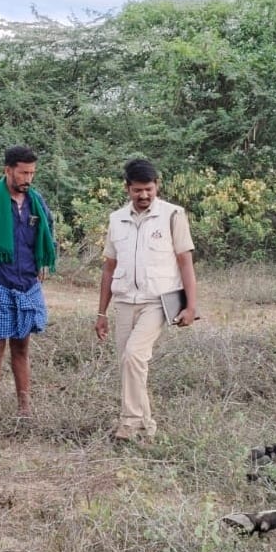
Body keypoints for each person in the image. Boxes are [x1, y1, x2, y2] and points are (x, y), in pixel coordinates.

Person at [94, 159, 198, 442]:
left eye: (149, 189)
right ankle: (146, 426)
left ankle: (128, 425)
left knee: (134, 356)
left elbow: (185, 262)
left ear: (157, 186)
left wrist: (191, 306)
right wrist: (101, 312)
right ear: (127, 188)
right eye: (137, 190)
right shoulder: (117, 219)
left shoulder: (173, 215)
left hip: (158, 301)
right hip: (125, 300)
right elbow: (109, 267)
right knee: (129, 364)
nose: (143, 196)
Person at [0, 145, 57, 429]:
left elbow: (47, 234)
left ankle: (24, 409)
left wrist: (43, 263)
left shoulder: (36, 201)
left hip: (28, 284)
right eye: (23, 173)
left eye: (32, 173)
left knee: (22, 348)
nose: (28, 178)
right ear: (7, 170)